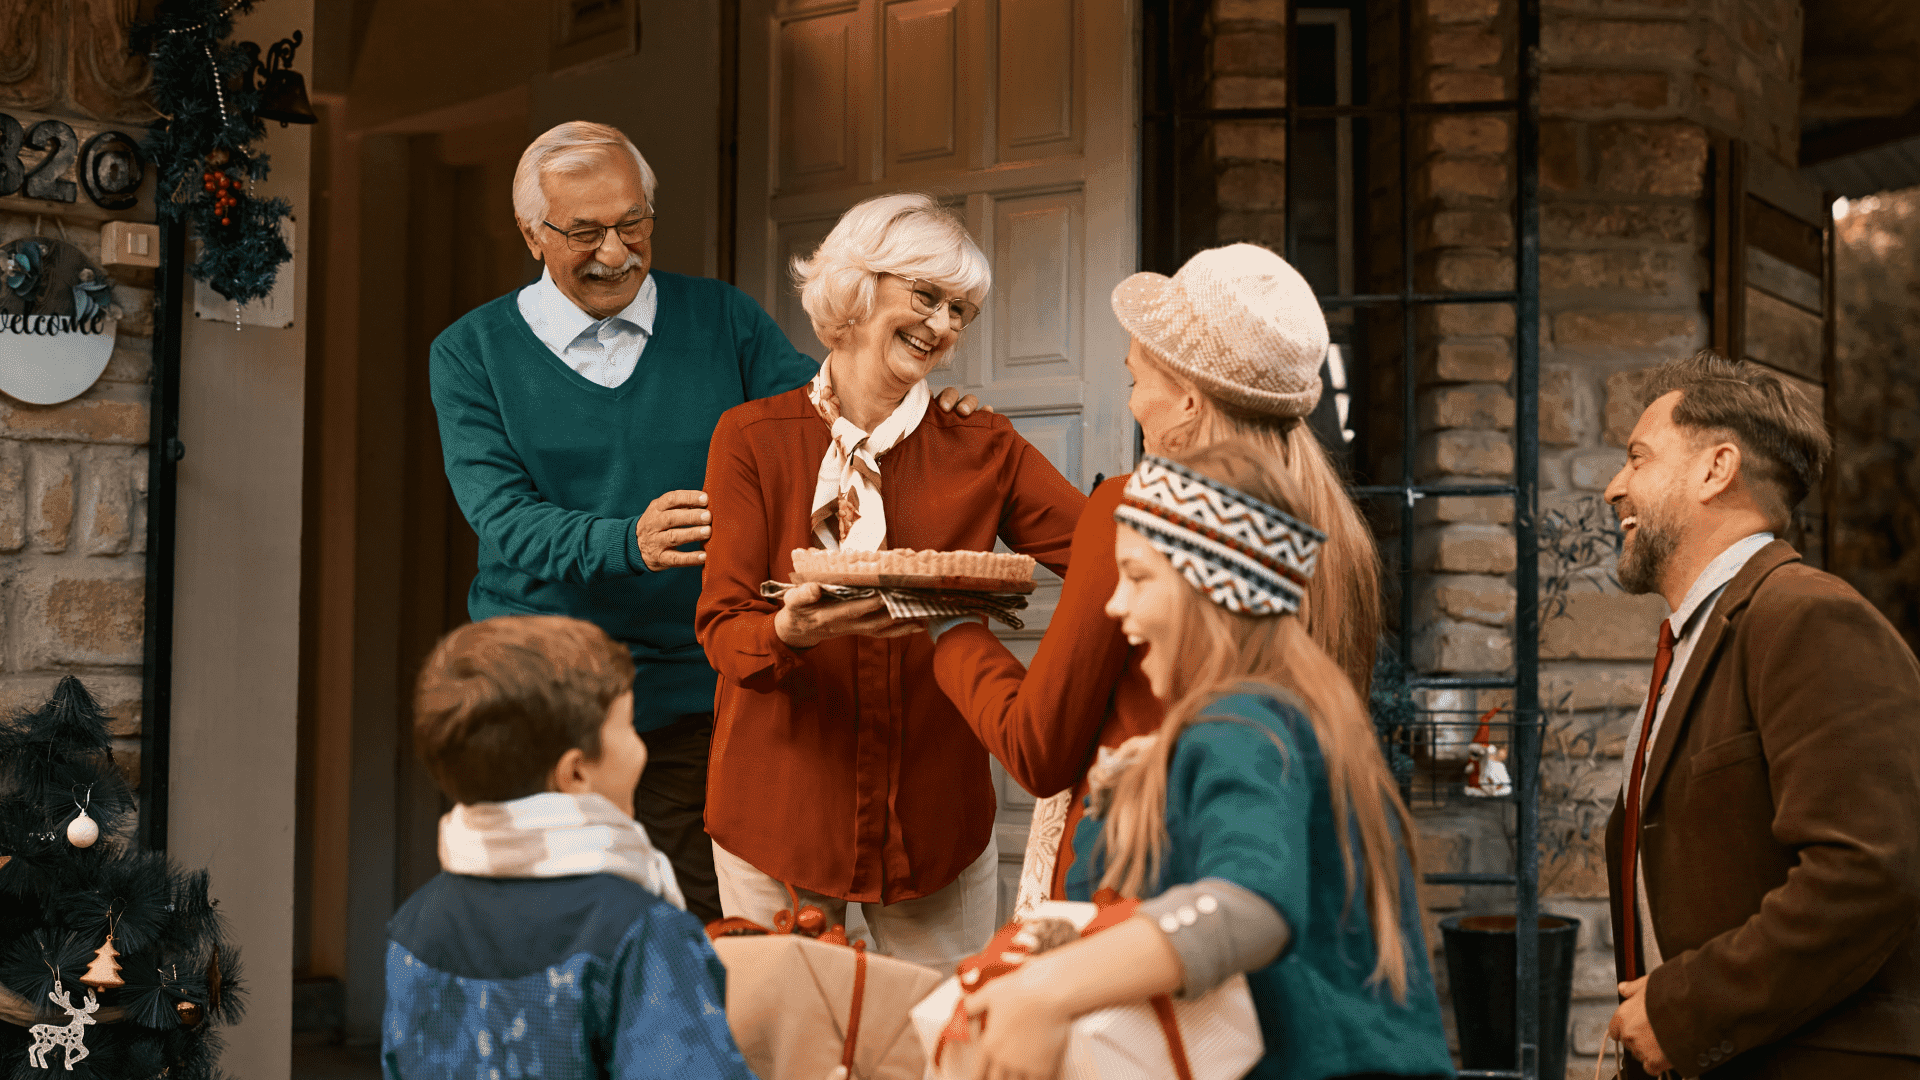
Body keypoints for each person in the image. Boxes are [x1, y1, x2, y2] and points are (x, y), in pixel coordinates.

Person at [429, 122, 980, 923]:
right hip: (540, 696)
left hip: (694, 690)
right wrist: (627, 540)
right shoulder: (470, 352)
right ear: (531, 235)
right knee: (549, 928)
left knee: (696, 931)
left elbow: (826, 414)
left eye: (633, 223)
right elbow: (501, 516)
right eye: (583, 232)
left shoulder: (722, 317)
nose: (615, 252)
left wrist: (928, 410)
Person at [958, 443, 1452, 1080]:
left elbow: (1246, 906)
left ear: (1211, 587)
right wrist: (1115, 805)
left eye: (1137, 577)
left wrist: (1045, 992)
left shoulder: (1243, 723)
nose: (1114, 605)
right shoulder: (1300, 712)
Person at [695, 192, 1087, 969]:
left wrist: (1062, 703)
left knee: (944, 1043)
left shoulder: (984, 445)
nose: (943, 325)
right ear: (857, 286)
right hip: (777, 805)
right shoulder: (751, 439)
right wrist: (786, 631)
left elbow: (1106, 559)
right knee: (790, 1053)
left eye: (960, 311)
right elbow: (722, 626)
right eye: (926, 296)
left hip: (934, 817)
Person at [929, 242, 1382, 909]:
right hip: (1250, 877)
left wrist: (949, 629)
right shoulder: (1334, 528)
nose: (1135, 403)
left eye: (1137, 380)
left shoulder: (1132, 506)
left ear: (1191, 400)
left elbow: (1037, 748)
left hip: (1130, 879)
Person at [1601, 351, 1920, 1079]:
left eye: (1638, 459)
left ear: (1717, 469)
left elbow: (1868, 872)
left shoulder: (1811, 617)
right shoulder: (1699, 639)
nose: (1615, 487)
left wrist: (1685, 1009)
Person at [383, 615, 752, 1079]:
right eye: (630, 726)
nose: (640, 747)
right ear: (575, 773)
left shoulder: (414, 924)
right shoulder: (640, 930)